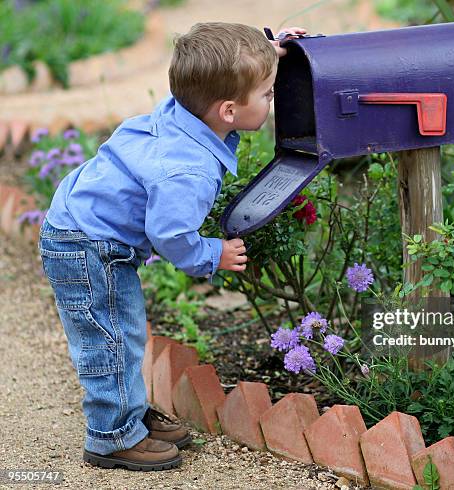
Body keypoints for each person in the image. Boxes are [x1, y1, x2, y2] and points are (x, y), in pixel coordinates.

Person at [38, 22, 306, 471]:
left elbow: (218, 78)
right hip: (86, 244)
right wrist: (212, 254)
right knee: (109, 339)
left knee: (125, 331)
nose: (271, 99)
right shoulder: (187, 171)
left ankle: (130, 413)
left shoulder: (188, 110)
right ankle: (112, 436)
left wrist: (267, 50)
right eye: (267, 94)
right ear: (227, 110)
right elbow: (171, 235)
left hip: (86, 227)